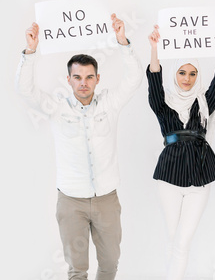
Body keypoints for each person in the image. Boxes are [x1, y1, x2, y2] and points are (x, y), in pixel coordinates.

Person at [15, 14, 143, 280]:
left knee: (109, 265)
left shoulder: (111, 104)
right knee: (77, 270)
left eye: (89, 76)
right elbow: (25, 90)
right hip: (71, 201)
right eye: (77, 77)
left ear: (97, 79)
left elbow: (134, 79)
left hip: (107, 198)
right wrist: (30, 51)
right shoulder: (56, 108)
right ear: (69, 79)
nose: (83, 82)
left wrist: (123, 43)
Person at [146, 25, 215, 279]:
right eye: (182, 72)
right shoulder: (162, 105)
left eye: (193, 73)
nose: (187, 78)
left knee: (182, 242)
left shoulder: (205, 102)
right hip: (169, 178)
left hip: (199, 178)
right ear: (175, 73)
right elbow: (154, 80)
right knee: (173, 240)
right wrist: (154, 50)